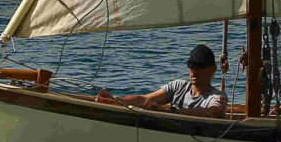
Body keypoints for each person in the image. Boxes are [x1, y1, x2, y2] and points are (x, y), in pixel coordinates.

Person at [96, 45, 228, 117]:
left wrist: (169, 112)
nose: (194, 71)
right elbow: (145, 99)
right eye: (191, 66)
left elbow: (213, 113)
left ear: (212, 69)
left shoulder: (218, 96)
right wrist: (114, 101)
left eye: (200, 66)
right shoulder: (178, 86)